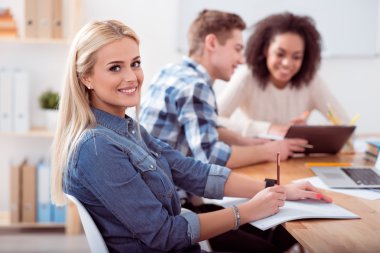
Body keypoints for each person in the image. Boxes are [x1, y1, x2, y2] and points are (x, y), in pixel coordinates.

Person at [50, 20, 332, 253]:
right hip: (174, 245)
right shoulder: (98, 147)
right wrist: (244, 212)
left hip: (185, 239)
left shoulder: (126, 128)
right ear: (85, 77)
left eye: (135, 63)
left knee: (284, 231)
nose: (132, 77)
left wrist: (277, 188)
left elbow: (190, 171)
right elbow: (163, 234)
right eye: (115, 67)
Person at [140, 10, 308, 168]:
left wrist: (244, 141)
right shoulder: (196, 87)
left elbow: (202, 128)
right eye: (237, 49)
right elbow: (210, 157)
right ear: (212, 43)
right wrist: (270, 151)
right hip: (168, 195)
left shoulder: (170, 71)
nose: (241, 60)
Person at [217, 12, 349, 137]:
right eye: (280, 54)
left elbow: (345, 124)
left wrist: (308, 131)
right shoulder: (247, 76)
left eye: (296, 57)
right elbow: (214, 120)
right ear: (266, 50)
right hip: (257, 154)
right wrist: (268, 128)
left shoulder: (311, 80)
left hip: (293, 157)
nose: (287, 63)